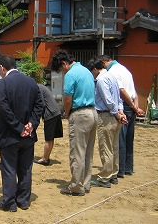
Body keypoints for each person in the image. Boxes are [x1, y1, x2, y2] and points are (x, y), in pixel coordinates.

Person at [0, 55, 43, 212]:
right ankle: (23, 200)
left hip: (10, 134)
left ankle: (9, 202)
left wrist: (19, 127)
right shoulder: (31, 81)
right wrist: (31, 124)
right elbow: (39, 105)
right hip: (28, 135)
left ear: (2, 67)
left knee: (9, 168)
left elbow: (5, 109)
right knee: (26, 168)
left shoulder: (1, 84)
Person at [51, 50, 97, 196]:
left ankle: (76, 186)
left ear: (64, 64)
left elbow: (67, 98)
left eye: (60, 69)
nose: (61, 72)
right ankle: (86, 183)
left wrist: (67, 112)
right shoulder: (86, 71)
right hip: (93, 112)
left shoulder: (71, 74)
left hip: (80, 114)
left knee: (77, 152)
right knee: (88, 152)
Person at [99, 55, 144, 178]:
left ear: (104, 63)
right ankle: (129, 167)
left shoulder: (113, 72)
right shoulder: (125, 69)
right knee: (129, 138)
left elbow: (121, 91)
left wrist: (132, 106)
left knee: (120, 139)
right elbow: (134, 91)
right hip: (131, 104)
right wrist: (136, 106)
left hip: (123, 105)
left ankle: (121, 169)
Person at [86, 57, 127, 188]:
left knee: (105, 148)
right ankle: (113, 173)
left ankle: (105, 177)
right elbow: (118, 98)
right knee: (114, 147)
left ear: (94, 69)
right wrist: (120, 113)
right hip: (115, 115)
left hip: (106, 116)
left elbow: (108, 100)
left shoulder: (101, 80)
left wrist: (116, 114)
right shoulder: (112, 77)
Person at [33, 83, 63, 166]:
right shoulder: (41, 87)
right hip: (56, 112)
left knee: (48, 138)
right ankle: (46, 157)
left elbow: (41, 104)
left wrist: (39, 116)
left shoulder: (37, 88)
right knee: (51, 138)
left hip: (50, 114)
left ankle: (45, 159)